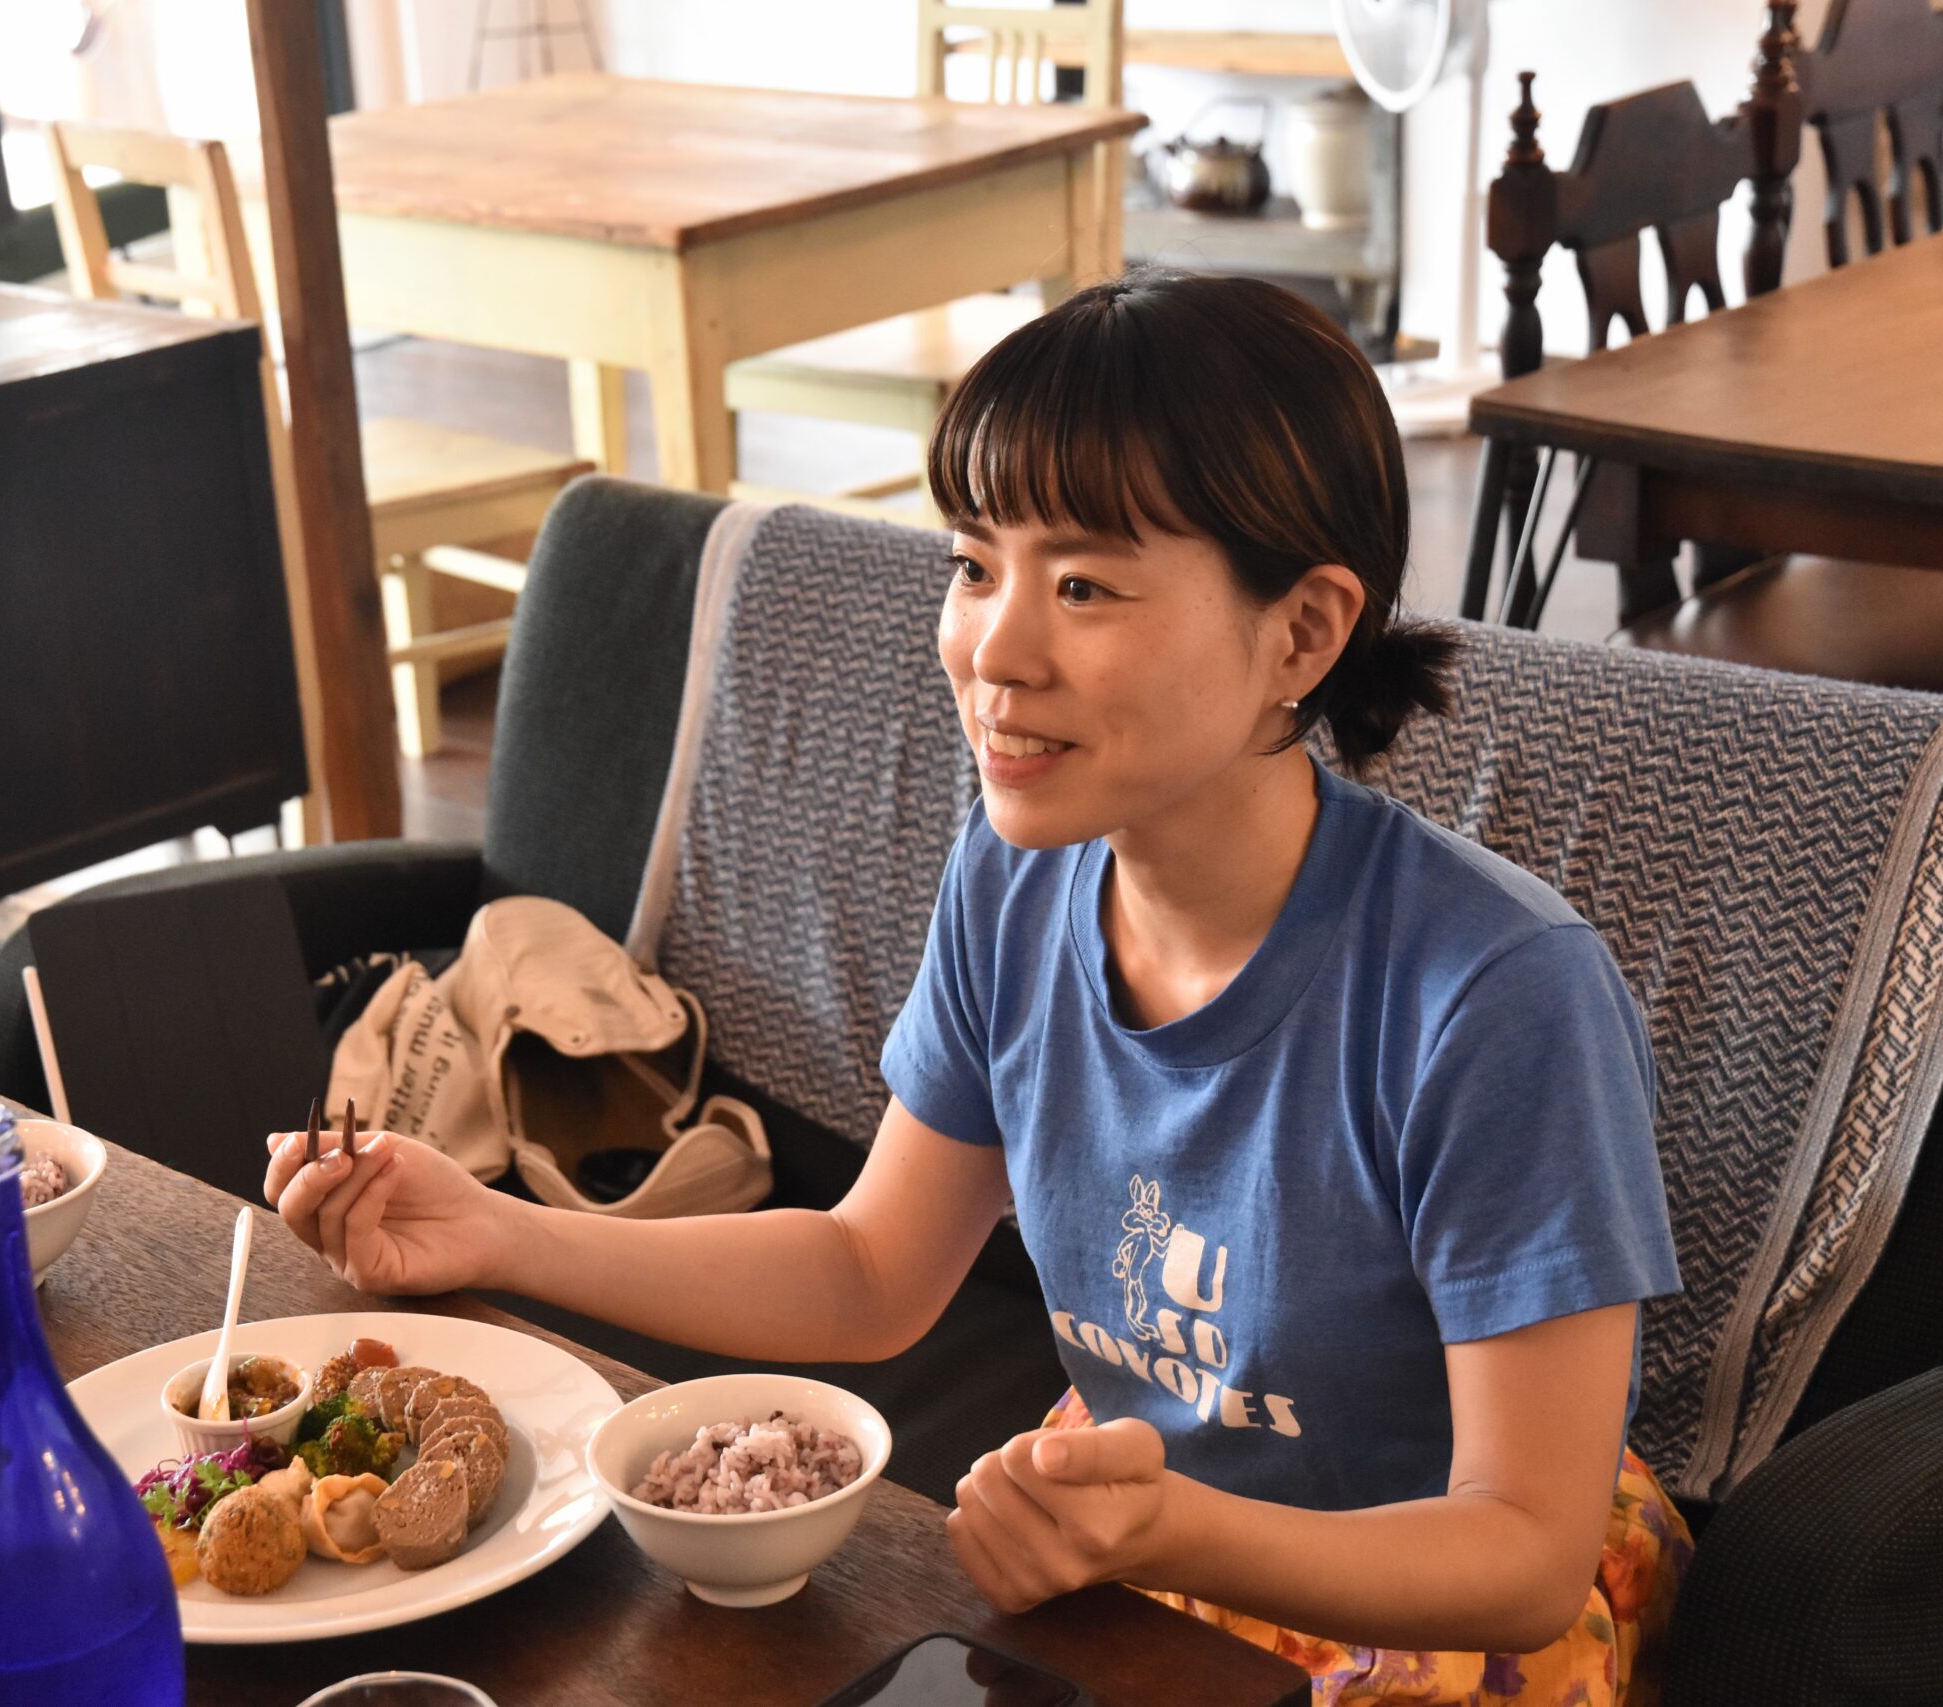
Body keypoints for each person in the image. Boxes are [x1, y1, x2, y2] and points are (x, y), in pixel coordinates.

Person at [265, 271, 1690, 1705]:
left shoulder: (1496, 998)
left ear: (1305, 634)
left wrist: (1173, 1525)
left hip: (1426, 1599)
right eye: (973, 565)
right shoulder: (1018, 885)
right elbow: (872, 1270)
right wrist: (495, 1236)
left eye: (1082, 584)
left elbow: (1523, 1553)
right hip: (1128, 1536)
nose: (993, 651)